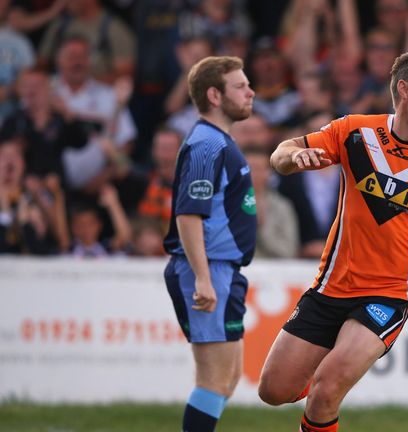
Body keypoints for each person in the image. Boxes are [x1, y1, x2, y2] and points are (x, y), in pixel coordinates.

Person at [259, 50, 408, 432]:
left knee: (325, 392)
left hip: (387, 295)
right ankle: (322, 369)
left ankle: (328, 376)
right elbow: (281, 151)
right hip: (329, 287)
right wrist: (293, 158)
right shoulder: (356, 132)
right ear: (404, 89)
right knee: (272, 390)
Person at [162, 56, 256, 432]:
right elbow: (188, 214)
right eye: (240, 86)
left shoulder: (219, 142)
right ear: (214, 95)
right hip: (209, 269)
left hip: (224, 270)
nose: (251, 92)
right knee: (213, 381)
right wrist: (202, 277)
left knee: (227, 379)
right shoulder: (206, 145)